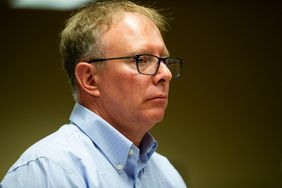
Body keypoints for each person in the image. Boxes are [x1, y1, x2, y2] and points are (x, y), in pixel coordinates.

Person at [1, 0, 186, 187]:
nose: (166, 74)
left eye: (163, 60)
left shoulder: (168, 176)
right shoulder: (49, 171)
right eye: (142, 59)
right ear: (90, 79)